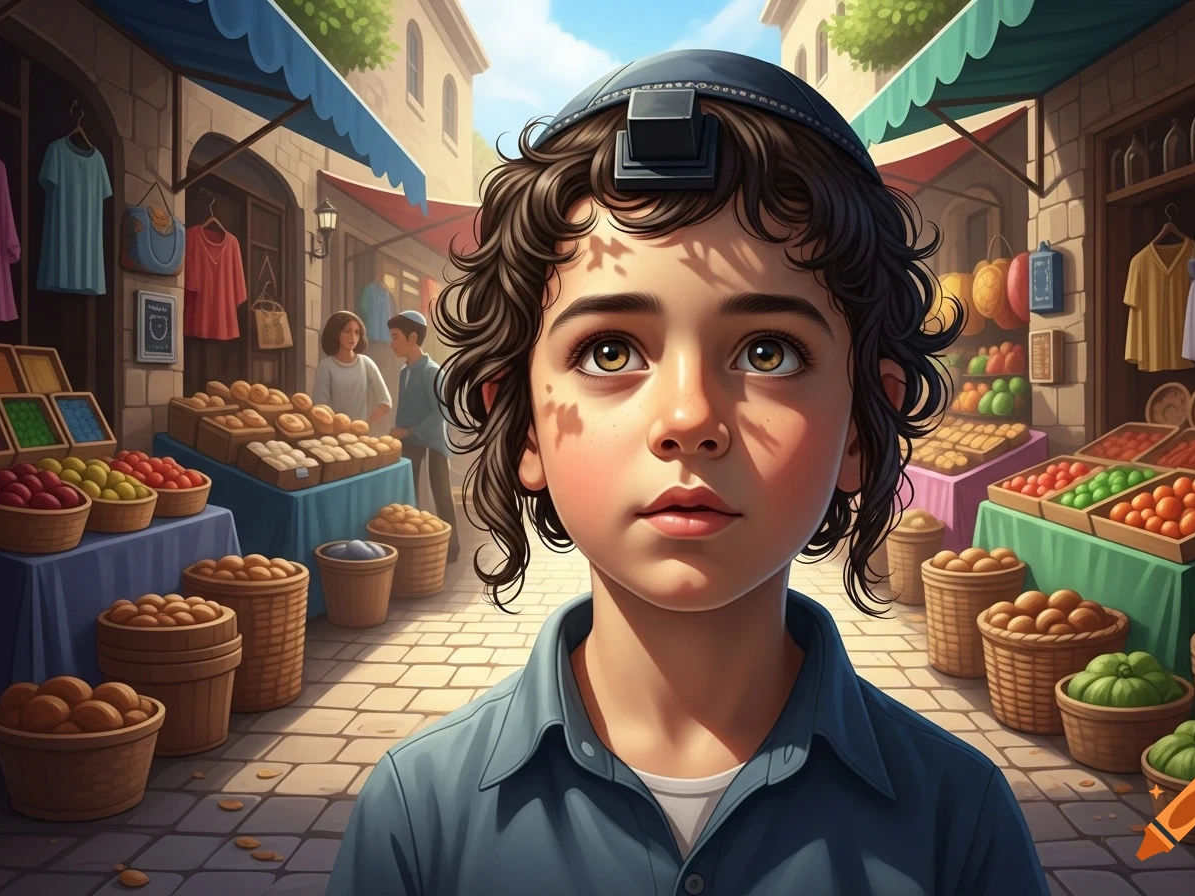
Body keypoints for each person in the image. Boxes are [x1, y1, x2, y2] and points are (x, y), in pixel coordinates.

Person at [329, 50, 1047, 896]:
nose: (689, 420)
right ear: (519, 421)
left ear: (860, 422)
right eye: (609, 350)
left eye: (769, 351)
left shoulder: (959, 823)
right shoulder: (418, 818)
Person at [388, 310, 459, 562]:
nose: (391, 343)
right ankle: (420, 552)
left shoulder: (431, 371)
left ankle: (450, 552)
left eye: (395, 337)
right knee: (413, 500)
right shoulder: (404, 372)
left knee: (439, 498)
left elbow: (441, 413)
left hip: (432, 446)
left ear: (412, 337)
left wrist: (408, 431)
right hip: (409, 446)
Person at [312, 310, 392, 425]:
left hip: (360, 435)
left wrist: (366, 425)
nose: (353, 337)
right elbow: (319, 407)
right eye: (347, 331)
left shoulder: (366, 363)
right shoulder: (326, 366)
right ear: (336, 333)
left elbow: (386, 402)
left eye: (357, 332)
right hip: (333, 435)